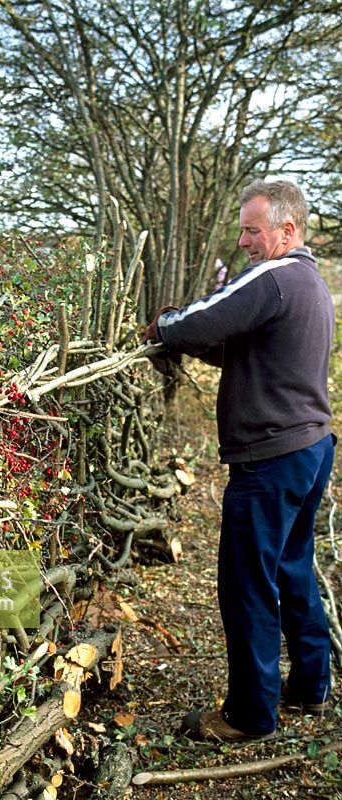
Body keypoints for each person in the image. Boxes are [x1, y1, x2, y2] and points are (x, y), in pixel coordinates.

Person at [143, 179, 336, 742]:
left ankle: (251, 715)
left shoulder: (274, 277)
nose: (244, 240)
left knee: (247, 584)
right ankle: (311, 685)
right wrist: (192, 341)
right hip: (309, 447)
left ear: (287, 231)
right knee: (291, 569)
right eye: (244, 229)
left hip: (272, 460)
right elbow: (236, 344)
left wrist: (167, 326)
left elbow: (207, 317)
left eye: (253, 229)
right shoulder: (308, 284)